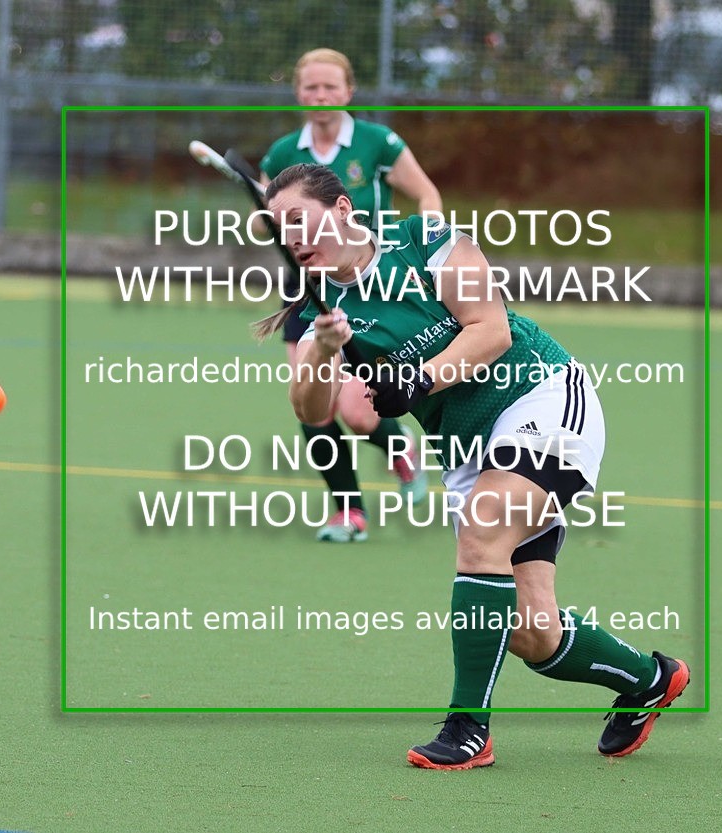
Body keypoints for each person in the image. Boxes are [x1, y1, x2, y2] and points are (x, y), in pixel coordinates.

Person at [263, 163, 691, 769]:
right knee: (529, 633)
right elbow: (311, 408)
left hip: (540, 397)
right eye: (280, 230)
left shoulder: (423, 241)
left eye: (300, 220)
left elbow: (490, 331)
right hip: (468, 452)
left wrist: (417, 378)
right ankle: (649, 678)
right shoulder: (321, 311)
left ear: (342, 211)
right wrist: (324, 352)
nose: (293, 238)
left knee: (483, 530)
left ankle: (468, 729)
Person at [258, 48, 442, 544]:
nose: (321, 96)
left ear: (348, 91)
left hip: (371, 283)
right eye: (311, 88)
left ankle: (399, 450)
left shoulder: (377, 142)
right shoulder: (281, 154)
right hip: (309, 289)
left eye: (330, 87)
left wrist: (428, 246)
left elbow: (425, 194)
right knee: (313, 403)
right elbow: (268, 217)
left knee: (362, 413)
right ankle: (349, 512)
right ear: (299, 92)